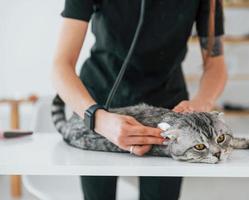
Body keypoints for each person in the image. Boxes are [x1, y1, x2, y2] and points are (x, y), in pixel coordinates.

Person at [52, 0, 227, 199]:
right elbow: (61, 65)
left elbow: (215, 64)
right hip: (100, 108)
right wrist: (98, 119)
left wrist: (201, 104)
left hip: (169, 114)